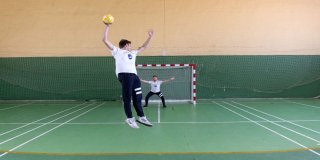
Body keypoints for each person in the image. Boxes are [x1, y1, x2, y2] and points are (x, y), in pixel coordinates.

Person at [102, 22, 153, 129]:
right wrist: (107, 27)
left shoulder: (133, 52)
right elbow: (105, 41)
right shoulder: (117, 51)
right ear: (126, 45)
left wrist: (150, 37)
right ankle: (130, 118)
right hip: (125, 76)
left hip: (134, 77)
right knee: (127, 98)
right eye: (129, 44)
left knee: (138, 97)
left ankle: (141, 117)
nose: (131, 46)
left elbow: (144, 47)